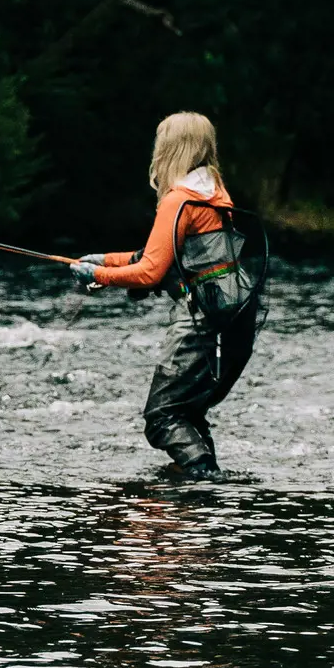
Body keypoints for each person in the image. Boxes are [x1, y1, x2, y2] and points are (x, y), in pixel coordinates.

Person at [73, 111, 262, 478]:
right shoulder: (213, 193)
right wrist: (104, 261)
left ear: (170, 149)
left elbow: (149, 272)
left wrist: (96, 274)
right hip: (232, 311)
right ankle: (202, 485)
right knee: (187, 412)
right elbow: (164, 257)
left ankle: (204, 476)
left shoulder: (179, 200)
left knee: (161, 416)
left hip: (200, 320)